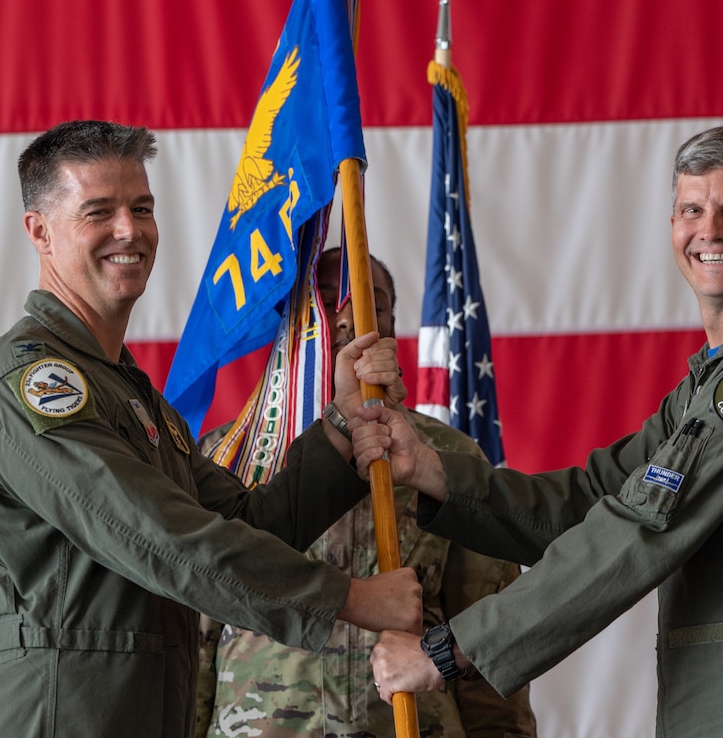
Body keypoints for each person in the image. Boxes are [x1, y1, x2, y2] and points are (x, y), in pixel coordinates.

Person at [354, 125, 723, 736]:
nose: (710, 231)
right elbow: (595, 501)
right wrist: (431, 471)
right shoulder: (713, 380)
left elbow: (642, 527)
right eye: (692, 209)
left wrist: (447, 650)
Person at [0, 120, 421, 738]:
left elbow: (249, 525)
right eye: (99, 212)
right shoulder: (31, 386)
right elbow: (158, 538)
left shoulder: (134, 397)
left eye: (141, 207)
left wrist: (341, 424)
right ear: (39, 231)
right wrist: (348, 598)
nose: (129, 231)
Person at [195, 247, 537, 738]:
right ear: (294, 321)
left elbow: (486, 629)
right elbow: (195, 628)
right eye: (326, 298)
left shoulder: (444, 458)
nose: (345, 316)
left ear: (392, 327)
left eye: (369, 301)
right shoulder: (234, 454)